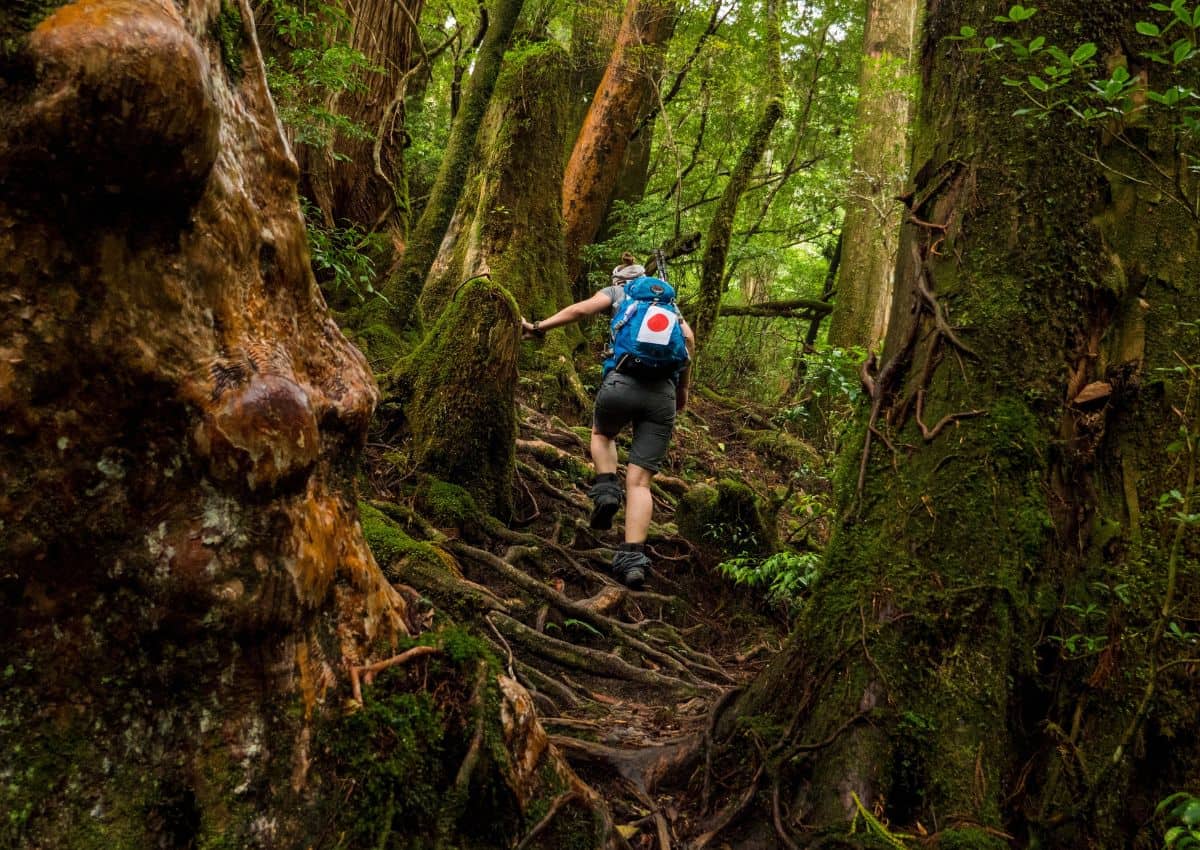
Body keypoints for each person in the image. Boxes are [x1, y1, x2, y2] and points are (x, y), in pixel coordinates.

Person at [520, 253, 694, 589]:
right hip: (663, 396)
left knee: (601, 434)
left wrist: (538, 327)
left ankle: (606, 490)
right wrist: (683, 391)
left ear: (618, 281)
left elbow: (580, 309)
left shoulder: (617, 293)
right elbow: (688, 341)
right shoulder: (669, 305)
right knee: (641, 482)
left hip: (621, 382)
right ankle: (632, 561)